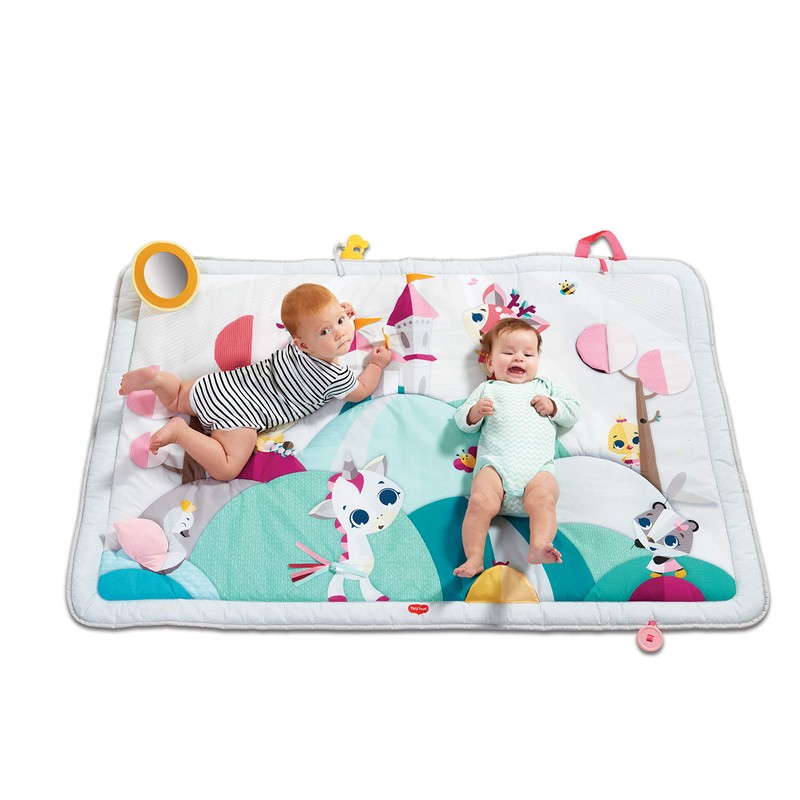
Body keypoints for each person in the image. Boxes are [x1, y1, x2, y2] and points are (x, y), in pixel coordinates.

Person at [119, 283, 391, 480]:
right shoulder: (335, 377)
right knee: (227, 468)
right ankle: (181, 433)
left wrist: (335, 316)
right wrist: (376, 365)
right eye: (326, 331)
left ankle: (158, 380)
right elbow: (361, 390)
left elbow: (319, 321)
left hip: (221, 385)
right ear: (304, 343)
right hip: (242, 414)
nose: (341, 333)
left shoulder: (297, 346)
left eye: (341, 321)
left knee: (178, 395)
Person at [453, 317, 580, 577]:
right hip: (495, 469)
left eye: (528, 354)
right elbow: (462, 420)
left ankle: (539, 546)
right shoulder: (487, 388)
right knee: (478, 502)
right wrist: (475, 412)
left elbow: (573, 412)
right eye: (508, 352)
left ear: (537, 359)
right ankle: (474, 557)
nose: (518, 358)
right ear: (490, 362)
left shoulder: (546, 387)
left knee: (545, 500)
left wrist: (553, 406)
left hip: (537, 471)